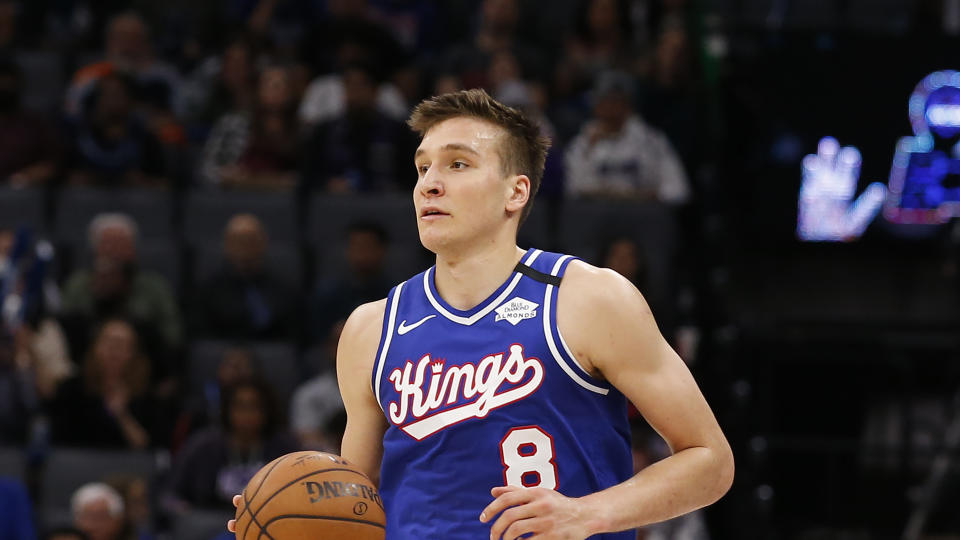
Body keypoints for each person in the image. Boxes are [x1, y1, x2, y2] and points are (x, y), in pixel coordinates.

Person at [229, 88, 733, 538]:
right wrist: (290, 521)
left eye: (457, 164)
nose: (429, 183)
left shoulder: (588, 299)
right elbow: (355, 503)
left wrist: (589, 514)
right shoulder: (371, 328)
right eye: (422, 167)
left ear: (516, 191)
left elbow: (709, 461)